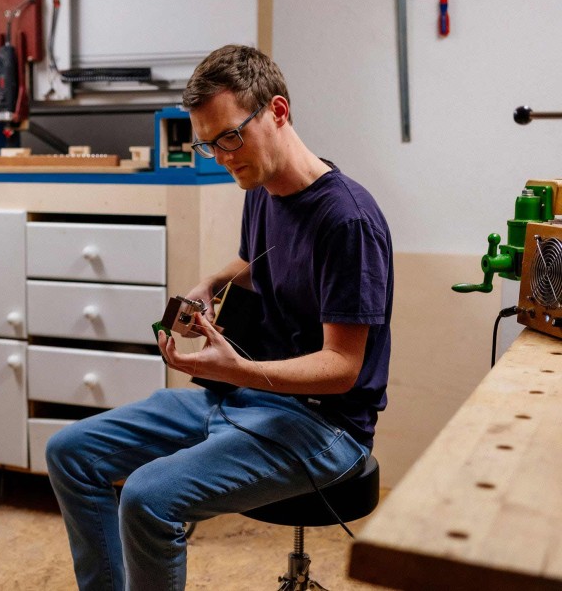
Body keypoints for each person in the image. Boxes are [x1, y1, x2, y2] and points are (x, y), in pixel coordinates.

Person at [45, 44, 393, 591]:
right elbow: (264, 261)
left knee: (147, 497)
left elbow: (344, 366)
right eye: (209, 145)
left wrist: (236, 371)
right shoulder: (261, 186)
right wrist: (213, 282)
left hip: (324, 427)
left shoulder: (347, 221)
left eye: (231, 136)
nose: (224, 155)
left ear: (277, 112)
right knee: (70, 453)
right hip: (247, 396)